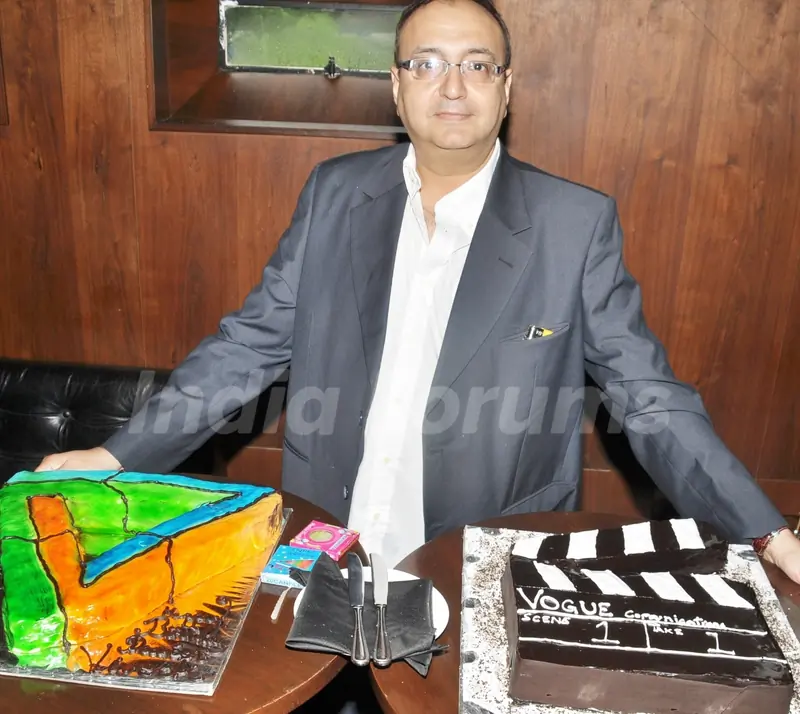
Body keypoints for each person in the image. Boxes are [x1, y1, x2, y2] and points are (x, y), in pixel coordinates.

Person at [38, 0, 800, 583]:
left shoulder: (575, 222)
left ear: (507, 89)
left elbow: (648, 397)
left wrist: (767, 532)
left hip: (481, 553)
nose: (453, 86)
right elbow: (248, 348)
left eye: (477, 65)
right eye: (427, 64)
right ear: (396, 89)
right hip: (327, 538)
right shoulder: (336, 193)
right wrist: (116, 451)